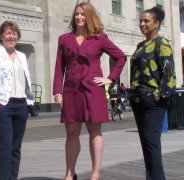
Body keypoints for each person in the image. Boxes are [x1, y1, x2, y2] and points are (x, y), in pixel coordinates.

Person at [53, 2, 126, 180]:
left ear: (90, 17)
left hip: (93, 90)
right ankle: (70, 173)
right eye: (77, 14)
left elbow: (120, 57)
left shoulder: (99, 38)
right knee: (71, 132)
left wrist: (110, 78)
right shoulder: (64, 39)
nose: (79, 17)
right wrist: (57, 91)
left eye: (83, 14)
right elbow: (59, 68)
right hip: (71, 91)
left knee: (95, 131)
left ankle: (95, 174)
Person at [0, 21, 35, 180]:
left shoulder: (22, 56)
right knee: (6, 146)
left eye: (14, 34)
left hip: (21, 105)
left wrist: (29, 102)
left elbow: (26, 79)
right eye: (8, 33)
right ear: (1, 36)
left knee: (15, 148)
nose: (11, 37)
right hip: (3, 105)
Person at [130, 6, 176, 180]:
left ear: (156, 24)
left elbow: (169, 75)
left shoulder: (162, 44)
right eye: (140, 20)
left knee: (152, 144)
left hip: (152, 103)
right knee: (147, 144)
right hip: (138, 100)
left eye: (146, 21)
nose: (142, 24)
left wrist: (158, 97)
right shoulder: (141, 45)